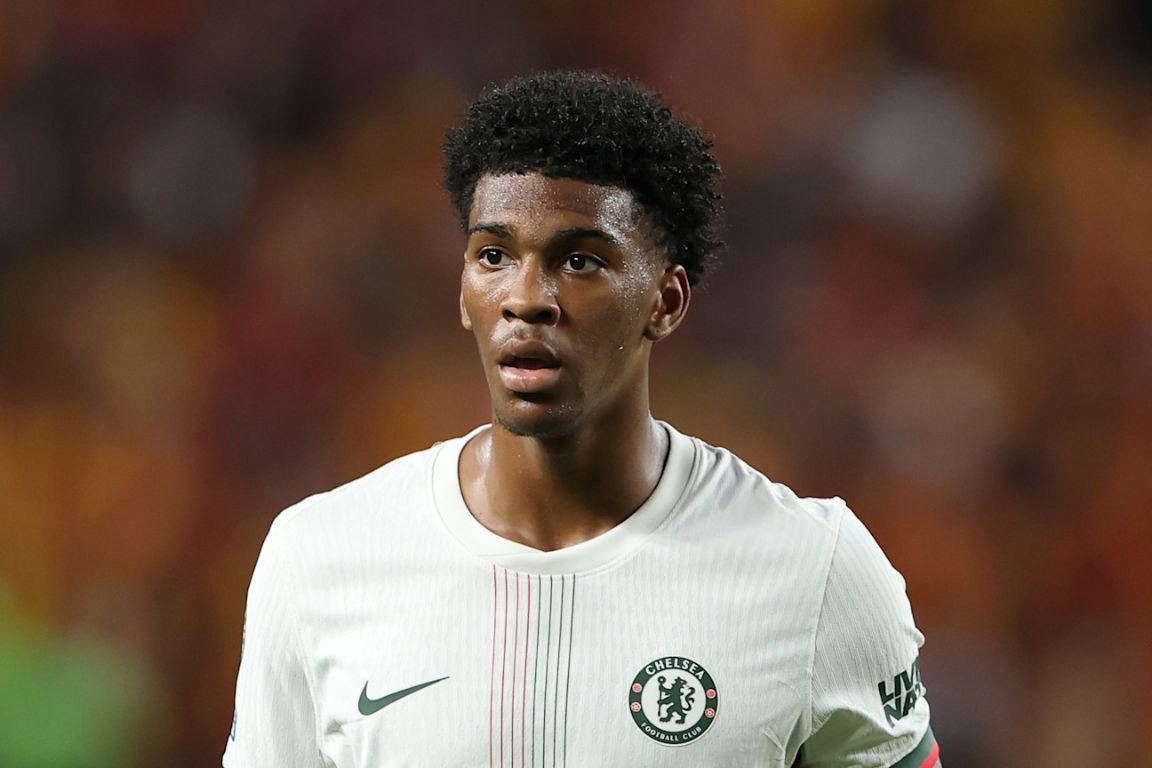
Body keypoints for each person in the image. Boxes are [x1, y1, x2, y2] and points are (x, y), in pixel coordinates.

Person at [223, 70, 941, 768]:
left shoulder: (816, 570)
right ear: (464, 291)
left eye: (580, 261)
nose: (526, 298)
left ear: (665, 301)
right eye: (494, 255)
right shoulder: (318, 559)